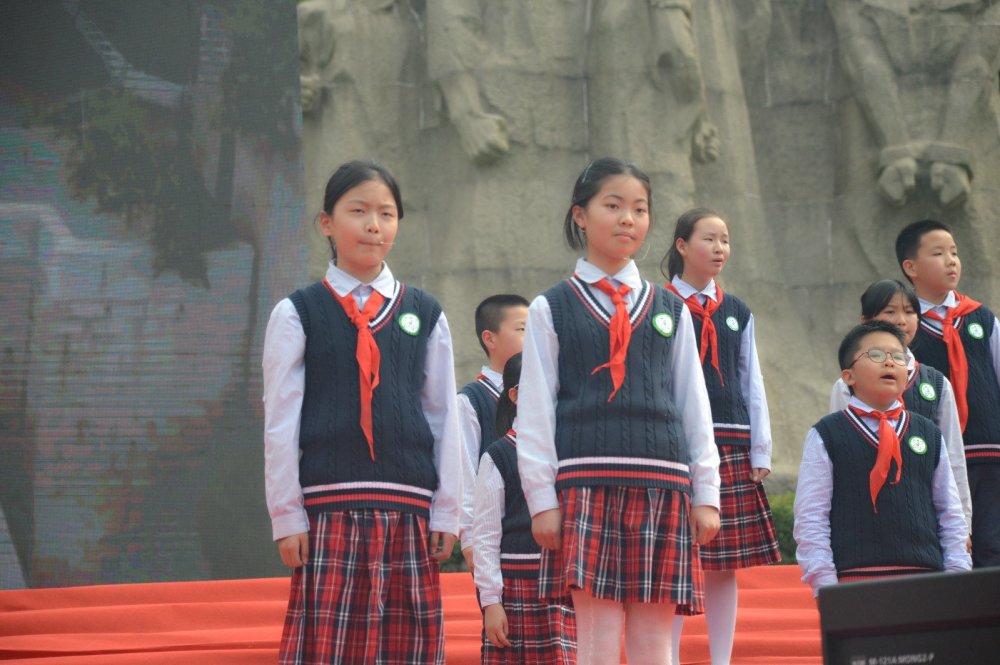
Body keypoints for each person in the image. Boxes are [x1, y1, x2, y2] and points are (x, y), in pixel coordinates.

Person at [517, 157, 721, 665]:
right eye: (613, 206)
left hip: (662, 482)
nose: (628, 218)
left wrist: (707, 492)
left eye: (640, 209)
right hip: (586, 483)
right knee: (597, 639)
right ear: (580, 215)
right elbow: (537, 410)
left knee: (655, 643)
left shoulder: (671, 309)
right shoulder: (553, 307)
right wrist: (542, 498)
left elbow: (692, 402)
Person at [262, 160, 462, 664]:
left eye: (387, 214)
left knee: (408, 649)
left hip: (409, 508)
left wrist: (448, 510)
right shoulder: (299, 311)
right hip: (330, 508)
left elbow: (443, 418)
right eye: (359, 211)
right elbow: (280, 422)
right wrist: (287, 516)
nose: (374, 225)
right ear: (327, 223)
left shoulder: (425, 313)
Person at [662, 208, 781, 665]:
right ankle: (664, 656)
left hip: (731, 442)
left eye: (725, 240)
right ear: (681, 245)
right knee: (671, 560)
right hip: (677, 444)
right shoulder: (660, 304)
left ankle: (721, 660)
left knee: (724, 567)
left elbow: (752, 378)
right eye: (709, 239)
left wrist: (760, 447)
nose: (719, 249)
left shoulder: (737, 311)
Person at [794, 321, 971, 596]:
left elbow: (950, 511)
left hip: (927, 581)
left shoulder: (929, 433)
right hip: (853, 582)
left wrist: (957, 575)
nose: (889, 362)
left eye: (898, 356)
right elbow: (811, 516)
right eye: (876, 355)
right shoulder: (826, 434)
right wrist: (825, 587)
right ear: (848, 377)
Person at [829, 279, 973, 532]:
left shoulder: (937, 384)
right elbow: (838, 452)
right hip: (865, 510)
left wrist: (963, 525)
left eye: (909, 312)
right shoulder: (846, 384)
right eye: (890, 311)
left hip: (925, 510)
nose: (901, 320)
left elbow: (953, 457)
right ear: (866, 320)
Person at [896, 219, 1000, 567]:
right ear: (910, 267)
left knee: (993, 542)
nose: (951, 260)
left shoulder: (981, 318)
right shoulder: (906, 326)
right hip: (934, 452)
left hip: (989, 451)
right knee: (946, 543)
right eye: (938, 253)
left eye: (954, 253)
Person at [472, 353, 576, 664]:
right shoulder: (499, 455)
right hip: (518, 588)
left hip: (568, 586)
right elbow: (486, 537)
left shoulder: (572, 450)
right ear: (514, 395)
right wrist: (491, 602)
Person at [459, 295, 530, 572]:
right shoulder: (470, 401)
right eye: (523, 329)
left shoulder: (549, 394)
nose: (533, 336)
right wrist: (470, 539)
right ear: (490, 338)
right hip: (496, 538)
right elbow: (465, 473)